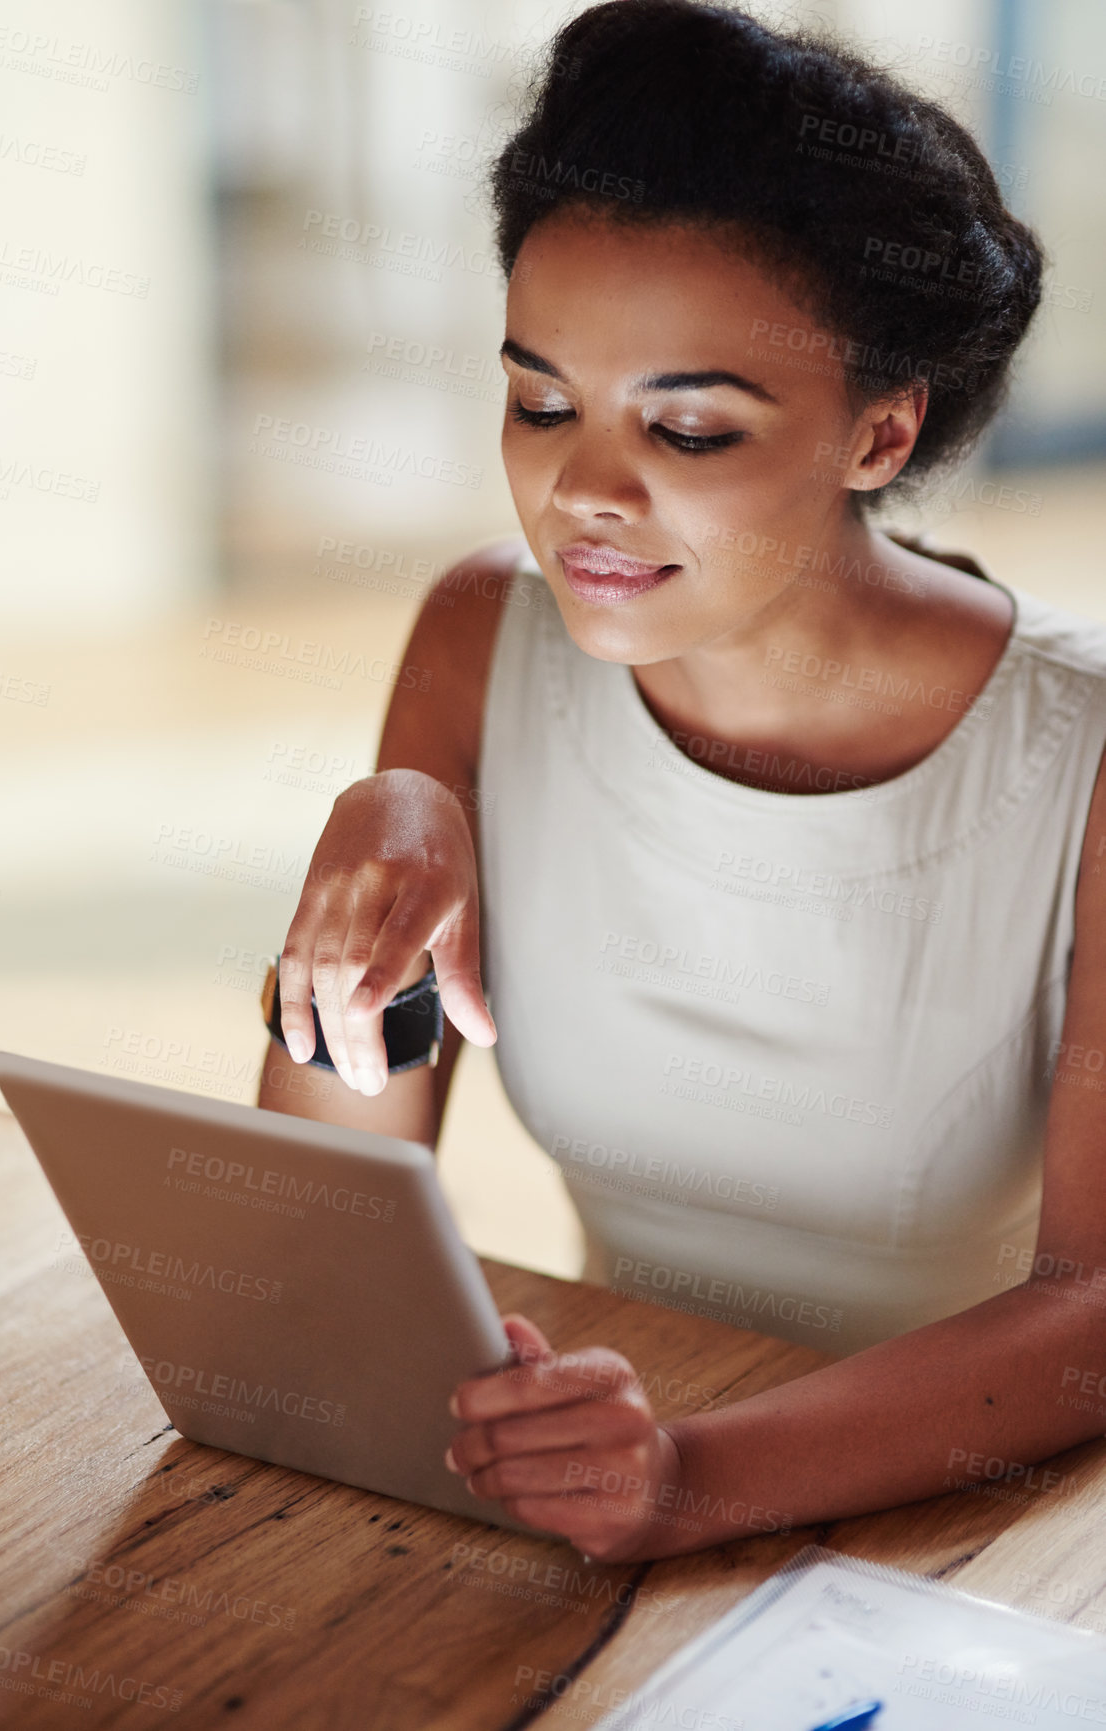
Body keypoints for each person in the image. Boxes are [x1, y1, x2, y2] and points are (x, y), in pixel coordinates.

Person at [256, 0, 1106, 1563]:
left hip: (975, 1534)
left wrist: (689, 1479)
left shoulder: (1088, 753)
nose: (581, 488)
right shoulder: (476, 637)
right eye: (539, 400)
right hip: (605, 1457)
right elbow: (319, 1232)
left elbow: (1098, 1313)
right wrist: (380, 832)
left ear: (880, 431)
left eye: (691, 426)